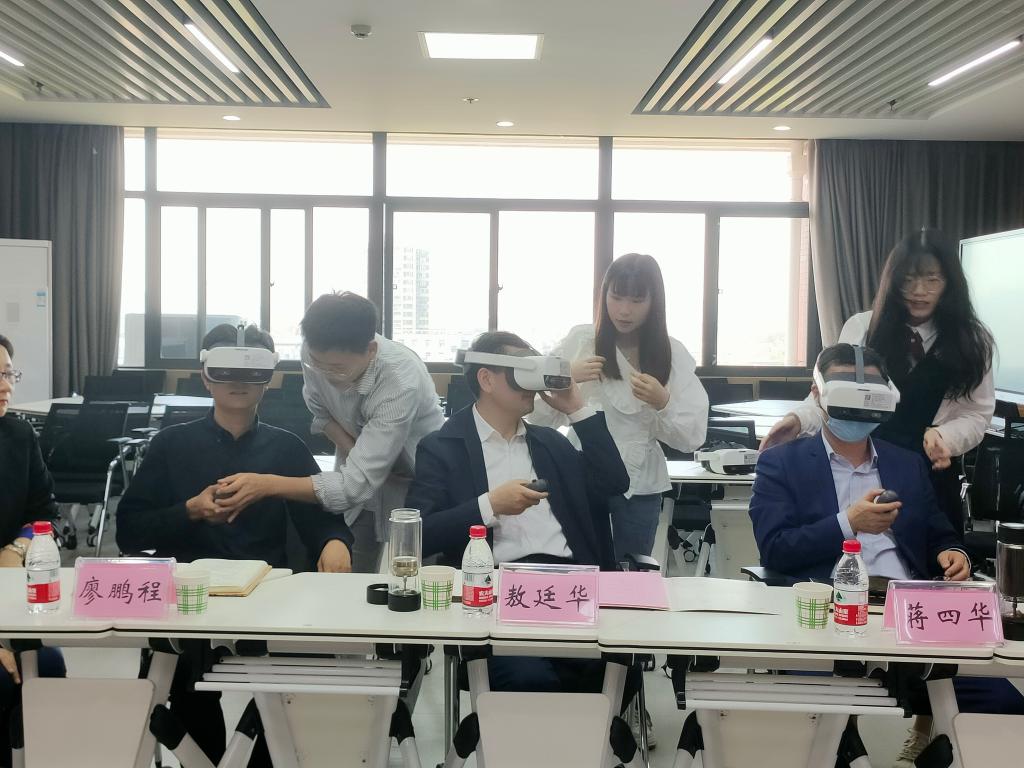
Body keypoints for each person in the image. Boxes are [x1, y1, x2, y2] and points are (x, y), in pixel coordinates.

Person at [751, 343, 1022, 768]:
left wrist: (952, 553)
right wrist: (848, 523)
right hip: (826, 617)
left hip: (909, 614)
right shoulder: (782, 464)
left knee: (1002, 708)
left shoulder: (905, 463)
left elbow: (938, 532)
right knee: (816, 725)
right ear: (817, 393)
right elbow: (776, 548)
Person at [116, 324, 353, 767]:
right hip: (189, 601)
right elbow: (130, 530)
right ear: (206, 377)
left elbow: (321, 519)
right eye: (225, 371)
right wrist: (189, 510)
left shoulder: (286, 448)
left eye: (252, 372)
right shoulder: (171, 445)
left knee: (301, 689)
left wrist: (335, 541)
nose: (238, 382)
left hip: (270, 599)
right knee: (184, 691)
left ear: (269, 379)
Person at [407, 331, 629, 694]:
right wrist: (489, 505)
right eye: (521, 372)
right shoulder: (442, 447)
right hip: (497, 591)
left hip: (568, 585)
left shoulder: (550, 442)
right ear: (486, 378)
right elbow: (420, 534)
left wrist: (576, 408)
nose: (531, 385)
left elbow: (613, 482)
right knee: (528, 679)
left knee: (614, 669)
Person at [762, 229, 995, 537]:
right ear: (893, 282)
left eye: (932, 280)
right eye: (908, 280)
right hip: (863, 465)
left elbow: (977, 413)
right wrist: (798, 420)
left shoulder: (972, 340)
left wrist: (946, 437)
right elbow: (830, 396)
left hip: (930, 474)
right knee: (861, 549)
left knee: (934, 553)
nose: (919, 291)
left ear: (950, 283)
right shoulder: (863, 328)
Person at [207, 292, 444, 573]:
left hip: (416, 478)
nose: (327, 375)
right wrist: (360, 456)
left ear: (370, 350)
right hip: (359, 469)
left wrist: (266, 484)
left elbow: (353, 487)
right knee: (352, 565)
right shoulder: (313, 353)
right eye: (318, 365)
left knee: (409, 573)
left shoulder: (400, 380)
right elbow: (322, 413)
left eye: (338, 369)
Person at [531, 254, 708, 563]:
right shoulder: (583, 340)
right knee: (577, 564)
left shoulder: (671, 353)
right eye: (616, 297)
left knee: (631, 570)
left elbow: (692, 438)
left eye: (637, 300)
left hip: (641, 484)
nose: (624, 310)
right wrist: (565, 376)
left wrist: (664, 402)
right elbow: (536, 417)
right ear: (604, 295)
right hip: (581, 473)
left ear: (654, 302)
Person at [0, 334, 66, 767]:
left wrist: (18, 546)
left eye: (8, 374)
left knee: (46, 665)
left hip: (8, 599)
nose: (6, 387)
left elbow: (45, 512)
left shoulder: (18, 435)